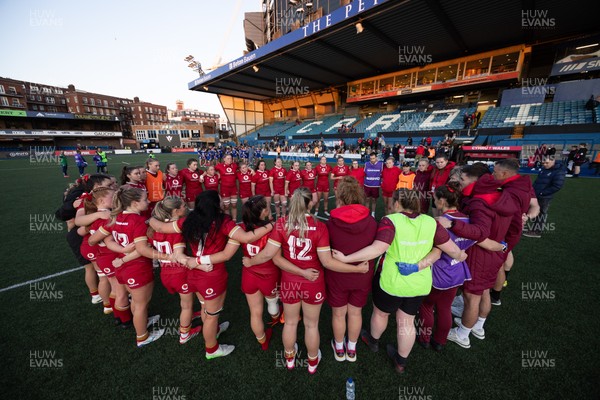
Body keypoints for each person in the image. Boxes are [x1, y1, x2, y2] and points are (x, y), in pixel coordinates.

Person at [332, 188, 466, 374]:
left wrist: (346, 258)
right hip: (419, 283)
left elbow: (377, 249)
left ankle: (373, 341)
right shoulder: (431, 222)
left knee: (380, 314)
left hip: (391, 282)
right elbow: (451, 250)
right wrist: (461, 254)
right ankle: (401, 361)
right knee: (407, 321)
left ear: (396, 203)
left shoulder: (390, 221)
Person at [242, 187, 369, 374]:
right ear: (310, 203)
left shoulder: (281, 224)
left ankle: (290, 358)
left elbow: (272, 257)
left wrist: (250, 261)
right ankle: (311, 361)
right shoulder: (320, 227)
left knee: (291, 323)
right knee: (311, 325)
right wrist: (357, 268)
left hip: (290, 281)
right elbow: (327, 262)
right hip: (313, 282)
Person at [153, 190, 275, 359]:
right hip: (211, 274)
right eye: (220, 200)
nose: (223, 202)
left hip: (194, 273)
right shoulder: (223, 221)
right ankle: (211, 349)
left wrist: (147, 217)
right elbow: (245, 239)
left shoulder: (189, 219)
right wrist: (270, 225)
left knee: (205, 308)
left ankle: (214, 331)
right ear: (214, 205)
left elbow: (158, 226)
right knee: (211, 316)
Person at [88, 186, 174, 347]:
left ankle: (142, 323)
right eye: (144, 199)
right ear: (134, 203)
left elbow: (101, 240)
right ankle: (142, 336)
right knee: (141, 304)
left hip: (122, 266)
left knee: (136, 300)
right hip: (137, 267)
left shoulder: (116, 217)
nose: (148, 202)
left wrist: (122, 253)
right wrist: (168, 256)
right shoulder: (138, 221)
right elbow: (143, 250)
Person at [442, 164, 515, 350]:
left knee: (471, 296)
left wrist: (453, 225)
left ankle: (463, 334)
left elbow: (480, 231)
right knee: (483, 291)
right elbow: (515, 226)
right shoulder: (503, 195)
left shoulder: (480, 201)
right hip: (495, 252)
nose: (460, 182)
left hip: (482, 254)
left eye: (463, 179)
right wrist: (503, 246)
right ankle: (478, 326)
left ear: (476, 180)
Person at [325, 177, 377, 362]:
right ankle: (351, 349)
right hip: (362, 274)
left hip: (337, 275)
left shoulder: (331, 223)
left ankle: (339, 348)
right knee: (356, 312)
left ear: (340, 197)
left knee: (338, 313)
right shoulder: (372, 222)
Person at [149, 196, 202, 344]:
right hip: (180, 273)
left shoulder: (154, 229)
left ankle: (190, 316)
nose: (186, 207)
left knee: (184, 302)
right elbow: (179, 254)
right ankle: (184, 334)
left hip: (165, 272)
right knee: (186, 305)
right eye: (184, 206)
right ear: (175, 211)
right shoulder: (177, 230)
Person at [523, 156, 566, 238]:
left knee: (541, 214)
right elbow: (538, 181)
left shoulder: (559, 171)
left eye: (547, 163)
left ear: (553, 161)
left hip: (545, 197)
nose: (545, 164)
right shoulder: (544, 169)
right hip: (536, 194)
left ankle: (536, 232)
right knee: (531, 210)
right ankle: (530, 228)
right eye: (543, 163)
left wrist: (542, 193)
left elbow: (557, 186)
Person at [215, 154, 239, 220]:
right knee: (226, 206)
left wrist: (251, 170)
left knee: (234, 205)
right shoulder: (219, 166)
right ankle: (228, 220)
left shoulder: (234, 165)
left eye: (231, 158)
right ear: (224, 159)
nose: (230, 160)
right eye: (228, 158)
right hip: (224, 189)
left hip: (234, 188)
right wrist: (217, 173)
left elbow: (243, 166)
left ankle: (234, 220)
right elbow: (210, 169)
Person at [364, 153, 383, 218]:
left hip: (376, 185)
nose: (372, 160)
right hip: (367, 185)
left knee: (374, 200)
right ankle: (366, 212)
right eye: (371, 158)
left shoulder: (381, 164)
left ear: (376, 158)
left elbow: (383, 174)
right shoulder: (366, 164)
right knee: (367, 199)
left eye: (373, 158)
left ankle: (373, 213)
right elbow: (364, 173)